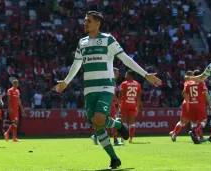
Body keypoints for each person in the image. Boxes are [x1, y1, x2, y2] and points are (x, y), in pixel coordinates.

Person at [55, 11, 162, 169]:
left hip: (105, 86)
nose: (85, 24)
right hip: (89, 89)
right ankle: (114, 158)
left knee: (98, 119)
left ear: (98, 24)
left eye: (89, 21)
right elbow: (76, 64)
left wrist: (145, 75)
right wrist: (66, 81)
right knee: (97, 125)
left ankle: (118, 126)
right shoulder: (82, 43)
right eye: (85, 21)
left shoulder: (108, 39)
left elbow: (125, 58)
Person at [184, 70, 211, 144]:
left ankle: (196, 137)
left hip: (191, 104)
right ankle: (195, 131)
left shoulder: (188, 83)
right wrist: (209, 103)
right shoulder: (201, 82)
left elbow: (184, 93)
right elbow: (206, 94)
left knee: (194, 122)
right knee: (204, 121)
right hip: (199, 104)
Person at [169, 71, 194, 142]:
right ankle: (198, 136)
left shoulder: (188, 83)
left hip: (187, 102)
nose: (194, 76)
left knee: (184, 122)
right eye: (192, 75)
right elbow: (186, 77)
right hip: (190, 103)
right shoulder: (190, 81)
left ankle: (174, 133)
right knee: (194, 120)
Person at [119, 70, 141, 143]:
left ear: (130, 76)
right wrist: (137, 107)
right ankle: (131, 139)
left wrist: (119, 104)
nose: (125, 76)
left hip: (124, 104)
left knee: (124, 123)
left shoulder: (124, 83)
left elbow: (121, 95)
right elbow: (138, 97)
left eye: (126, 74)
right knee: (132, 123)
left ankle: (122, 138)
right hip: (133, 105)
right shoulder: (138, 84)